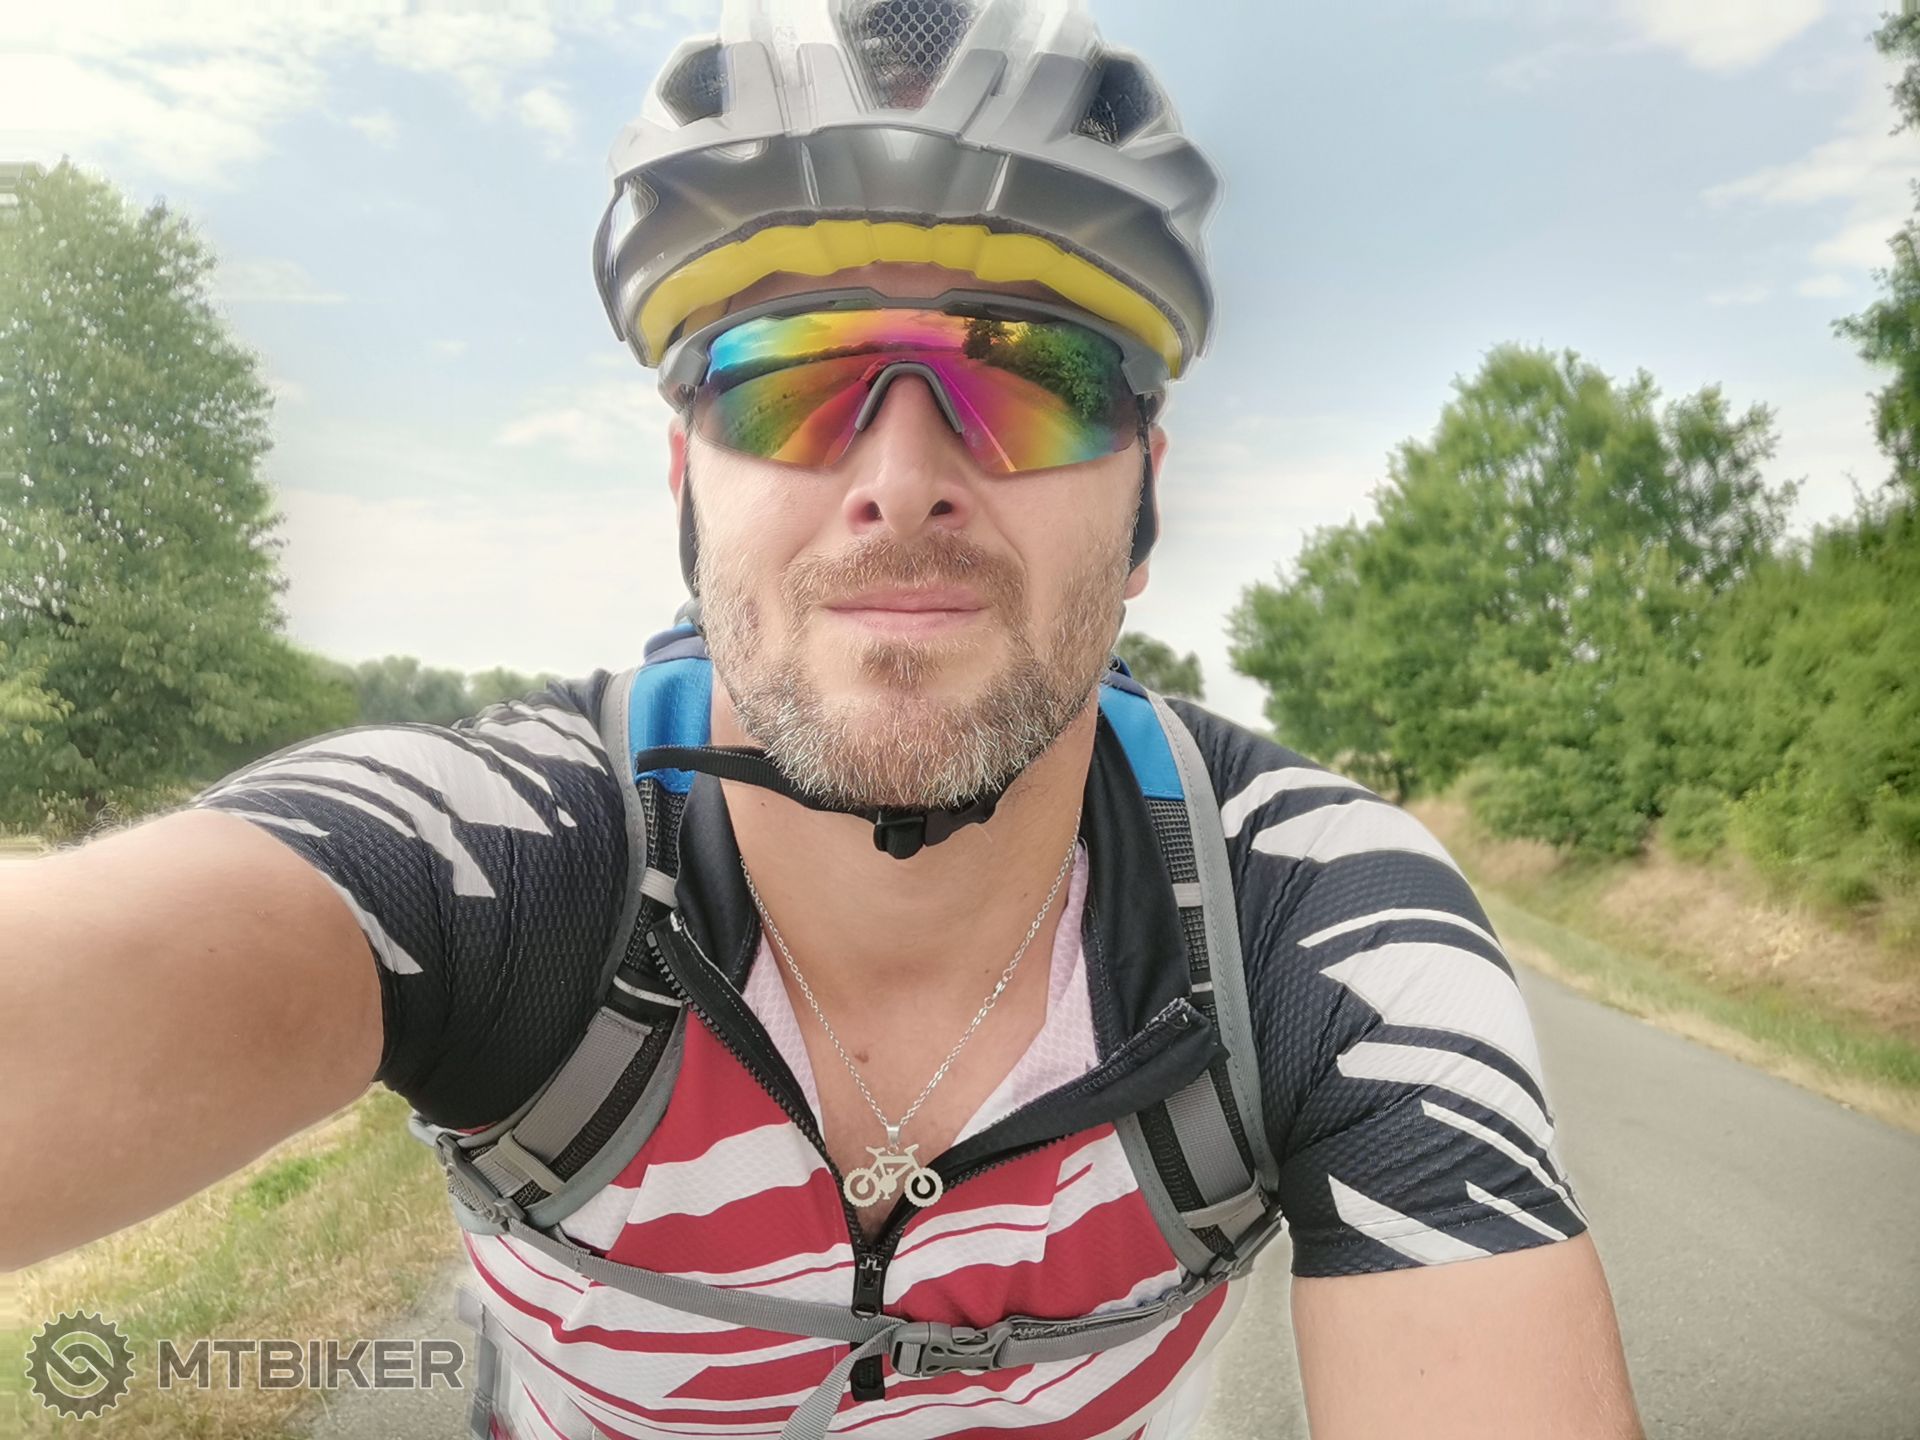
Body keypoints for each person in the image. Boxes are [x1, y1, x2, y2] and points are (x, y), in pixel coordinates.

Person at [1, 1, 1644, 1436]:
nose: (902, 482)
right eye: (788, 380)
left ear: (1144, 497)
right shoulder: (488, 854)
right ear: (686, 483)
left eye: (1032, 378)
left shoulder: (1318, 926)